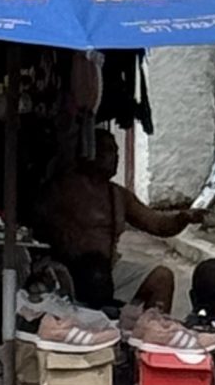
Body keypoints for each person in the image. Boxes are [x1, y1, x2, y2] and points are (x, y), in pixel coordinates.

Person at [32, 130, 201, 314]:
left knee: (162, 277)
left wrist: (183, 218)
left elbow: (157, 224)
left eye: (116, 151)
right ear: (90, 152)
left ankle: (153, 332)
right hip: (66, 270)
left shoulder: (118, 195)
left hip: (109, 270)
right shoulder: (63, 188)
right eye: (107, 150)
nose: (115, 157)